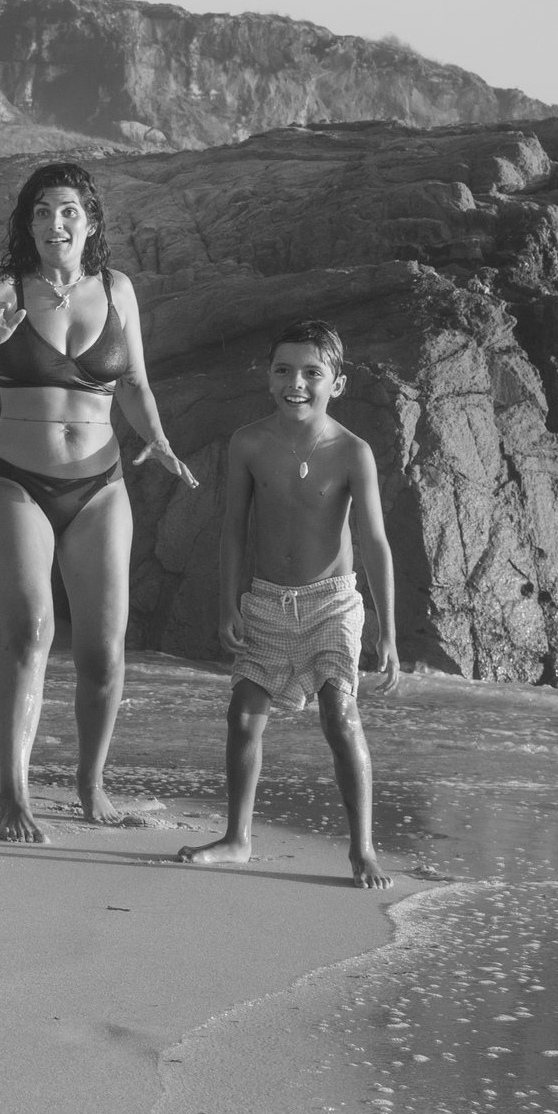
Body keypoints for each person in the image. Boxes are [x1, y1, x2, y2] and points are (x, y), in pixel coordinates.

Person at [0, 161, 199, 843]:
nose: (56, 223)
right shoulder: (4, 288)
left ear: (90, 222)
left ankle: (91, 785)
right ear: (28, 223)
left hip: (101, 484)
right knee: (29, 631)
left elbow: (135, 382)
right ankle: (13, 793)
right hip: (17, 480)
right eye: (43, 212)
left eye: (69, 211)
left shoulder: (117, 289)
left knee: (104, 653)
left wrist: (161, 440)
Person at [178, 319, 398, 889]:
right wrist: (229, 602)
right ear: (268, 378)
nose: (295, 383)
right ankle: (237, 839)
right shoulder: (249, 442)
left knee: (339, 714)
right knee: (243, 714)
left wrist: (389, 633)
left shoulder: (353, 452)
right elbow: (232, 529)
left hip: (331, 603)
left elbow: (373, 541)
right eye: (283, 370)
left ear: (337, 384)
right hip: (268, 601)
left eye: (311, 373)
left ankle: (363, 849)